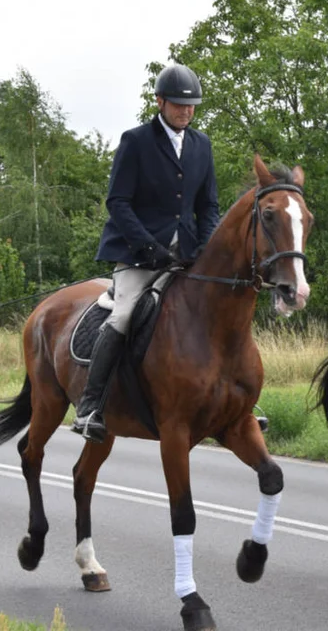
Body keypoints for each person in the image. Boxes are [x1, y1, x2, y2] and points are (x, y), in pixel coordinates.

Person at [71, 63, 220, 442]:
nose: (186, 111)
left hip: (185, 253)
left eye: (191, 106)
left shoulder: (202, 145)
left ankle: (230, 399)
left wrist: (204, 247)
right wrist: (148, 248)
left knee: (216, 314)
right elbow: (118, 203)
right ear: (159, 102)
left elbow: (209, 207)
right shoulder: (136, 141)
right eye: (178, 105)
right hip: (140, 254)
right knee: (122, 316)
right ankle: (90, 406)